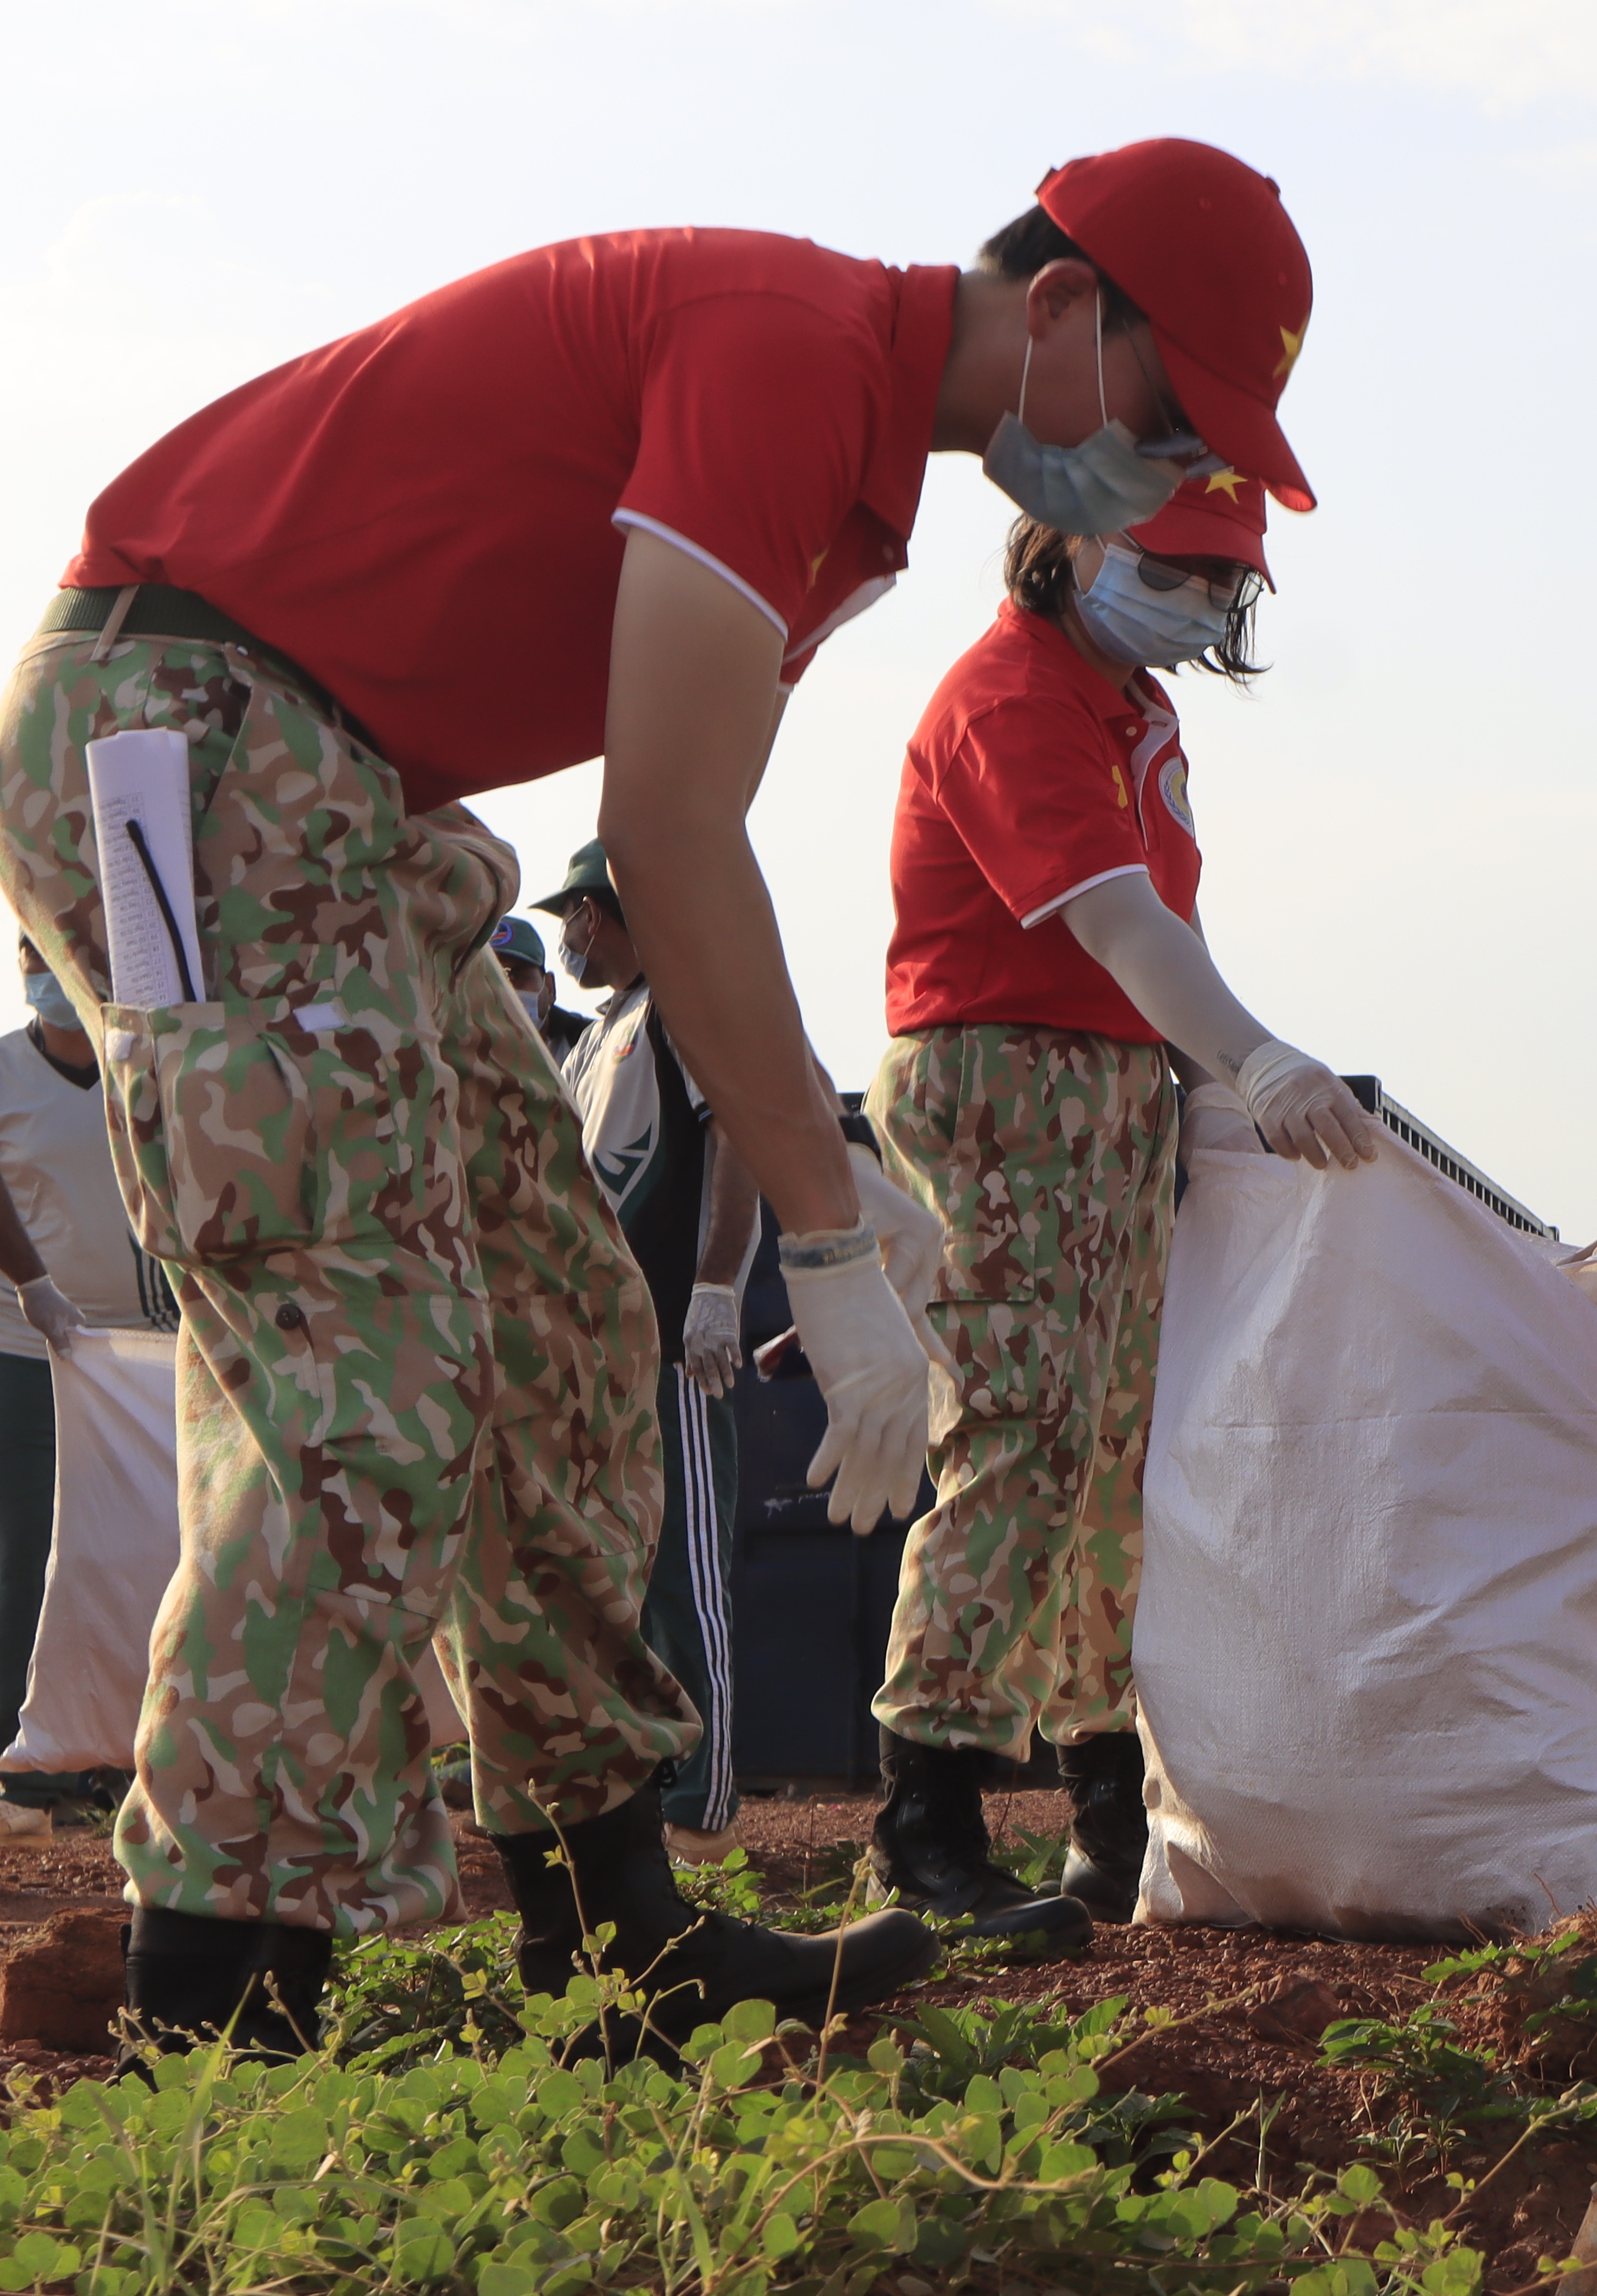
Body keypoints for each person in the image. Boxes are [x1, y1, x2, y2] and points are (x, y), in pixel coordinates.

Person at [0, 134, 1323, 2057]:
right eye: (1172, 411)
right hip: (191, 740)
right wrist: (822, 1227)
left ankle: (610, 1927)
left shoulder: (853, 462)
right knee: (353, 1372)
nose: (1174, 471)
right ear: (1059, 310)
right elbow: (671, 843)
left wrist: (844, 1199)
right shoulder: (789, 356)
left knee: (552, 1330)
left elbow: (688, 855)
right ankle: (224, 2004)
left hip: (345, 793)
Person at [864, 478, 1368, 1938]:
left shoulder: (1130, 705)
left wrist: (1203, 1078)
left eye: (1224, 585)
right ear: (1074, 533)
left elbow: (1168, 921)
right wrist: (1253, 1057)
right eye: (1178, 569)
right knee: (1018, 1435)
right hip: (1003, 1077)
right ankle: (933, 1822)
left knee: (1115, 1458)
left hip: (1106, 1088)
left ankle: (1102, 1802)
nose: (1203, 603)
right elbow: (1112, 917)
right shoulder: (1010, 697)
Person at [535, 842, 765, 1866]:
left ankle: (703, 1803)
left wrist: (718, 1285)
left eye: (577, 912)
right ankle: (639, 1779)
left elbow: (741, 1139)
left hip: (675, 1333)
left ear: (615, 907)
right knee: (613, 1576)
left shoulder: (684, 1003)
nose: (568, 933)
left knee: (686, 1574)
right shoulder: (594, 1038)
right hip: (597, 1350)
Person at [0, 940, 169, 1834]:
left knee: (143, 1556)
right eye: (27, 952)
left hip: (149, 1359)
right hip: (32, 1353)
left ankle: (118, 1758)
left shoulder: (143, 1061)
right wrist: (34, 1288)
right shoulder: (3, 1072)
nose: (44, 967)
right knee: (32, 1554)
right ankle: (27, 1774)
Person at [489, 915, 592, 1064]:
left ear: (550, 988)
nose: (506, 990)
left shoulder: (591, 1043)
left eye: (517, 976)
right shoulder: (459, 1049)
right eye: (492, 978)